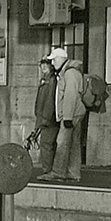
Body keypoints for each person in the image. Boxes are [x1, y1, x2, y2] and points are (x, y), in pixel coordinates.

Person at [48, 46, 86, 182]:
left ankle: (58, 172)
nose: (52, 63)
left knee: (62, 143)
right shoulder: (71, 72)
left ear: (61, 59)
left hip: (71, 114)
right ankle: (73, 173)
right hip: (77, 113)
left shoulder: (69, 74)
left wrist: (67, 118)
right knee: (74, 144)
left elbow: (70, 96)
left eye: (53, 60)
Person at [30, 57, 58, 178]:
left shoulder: (51, 80)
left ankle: (49, 171)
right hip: (44, 117)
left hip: (49, 119)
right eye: (41, 64)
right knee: (47, 144)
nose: (43, 67)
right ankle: (49, 169)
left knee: (46, 144)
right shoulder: (45, 80)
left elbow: (50, 101)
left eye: (46, 64)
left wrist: (45, 118)